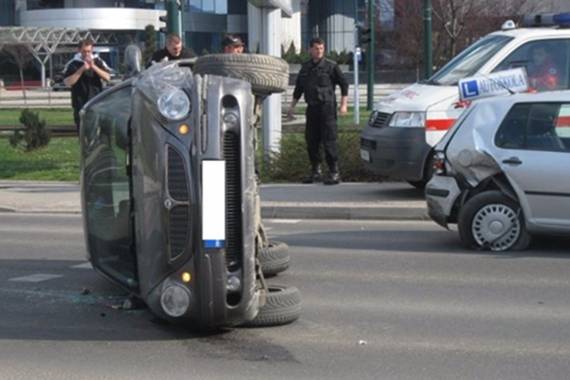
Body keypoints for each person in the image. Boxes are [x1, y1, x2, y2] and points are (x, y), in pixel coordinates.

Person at [287, 37, 349, 185]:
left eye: (321, 48)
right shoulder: (306, 68)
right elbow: (299, 89)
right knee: (312, 141)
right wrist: (292, 106)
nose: (319, 51)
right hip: (312, 109)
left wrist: (343, 104)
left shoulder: (331, 66)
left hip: (327, 109)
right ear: (310, 50)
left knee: (329, 141)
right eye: (316, 48)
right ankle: (316, 172)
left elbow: (344, 84)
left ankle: (334, 172)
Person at [63, 38, 111, 132]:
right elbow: (67, 82)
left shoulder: (98, 61)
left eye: (89, 51)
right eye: (84, 51)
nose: (87, 54)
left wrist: (94, 67)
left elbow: (107, 77)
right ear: (79, 50)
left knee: (97, 134)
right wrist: (81, 69)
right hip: (80, 105)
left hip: (96, 104)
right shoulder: (73, 64)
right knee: (83, 134)